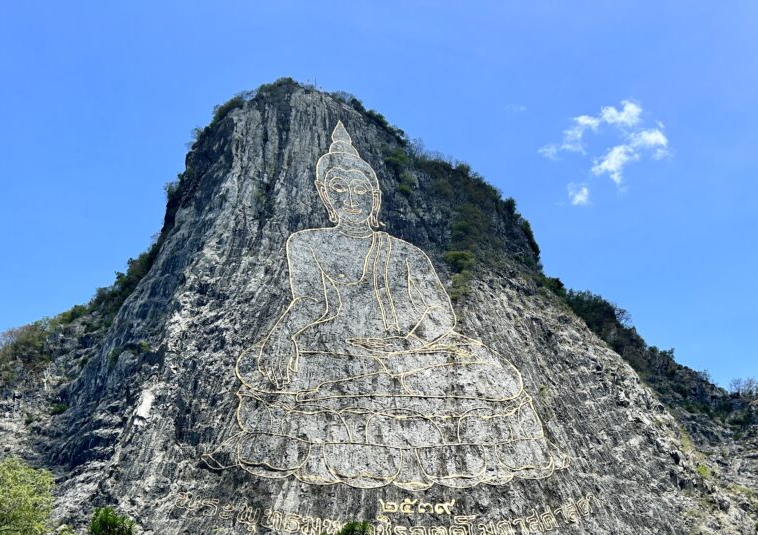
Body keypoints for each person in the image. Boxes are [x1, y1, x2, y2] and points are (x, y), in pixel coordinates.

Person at [219, 122, 564, 490]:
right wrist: (282, 336)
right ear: (323, 194)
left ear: (375, 196)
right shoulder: (306, 244)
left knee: (482, 369)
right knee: (299, 370)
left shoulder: (404, 252)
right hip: (336, 345)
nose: (351, 199)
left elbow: (440, 313)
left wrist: (406, 343)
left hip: (405, 348)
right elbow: (311, 302)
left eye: (360, 190)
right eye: (339, 189)